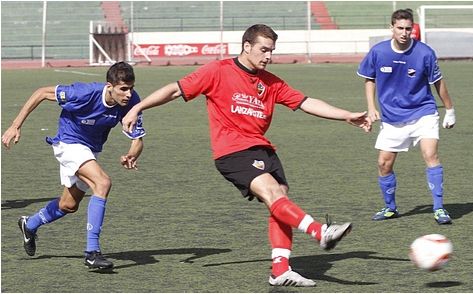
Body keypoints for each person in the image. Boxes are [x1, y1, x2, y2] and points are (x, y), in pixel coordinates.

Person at [122, 24, 371, 287]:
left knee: (280, 204)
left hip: (263, 149)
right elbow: (175, 89)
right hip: (232, 151)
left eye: (272, 51)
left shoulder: (271, 82)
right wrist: (137, 107)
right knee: (275, 195)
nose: (268, 56)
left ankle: (280, 270)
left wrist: (346, 115)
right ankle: (319, 231)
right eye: (264, 50)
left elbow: (305, 102)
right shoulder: (218, 71)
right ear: (247, 46)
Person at [2, 61, 146, 269]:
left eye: (131, 89)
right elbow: (41, 92)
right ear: (109, 86)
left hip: (90, 150)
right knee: (103, 183)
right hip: (68, 143)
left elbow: (137, 140)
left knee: (68, 205)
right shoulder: (83, 93)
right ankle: (92, 252)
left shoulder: (132, 102)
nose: (128, 94)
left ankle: (29, 224)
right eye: (123, 89)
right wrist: (15, 126)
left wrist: (132, 154)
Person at [357, 9, 456, 225]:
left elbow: (438, 82)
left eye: (408, 28)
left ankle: (439, 208)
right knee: (384, 164)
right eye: (400, 28)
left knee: (430, 155)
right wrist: (371, 107)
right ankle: (390, 208)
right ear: (391, 28)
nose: (404, 32)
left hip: (423, 113)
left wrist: (449, 110)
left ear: (413, 29)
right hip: (392, 118)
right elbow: (369, 78)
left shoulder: (425, 53)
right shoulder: (378, 52)